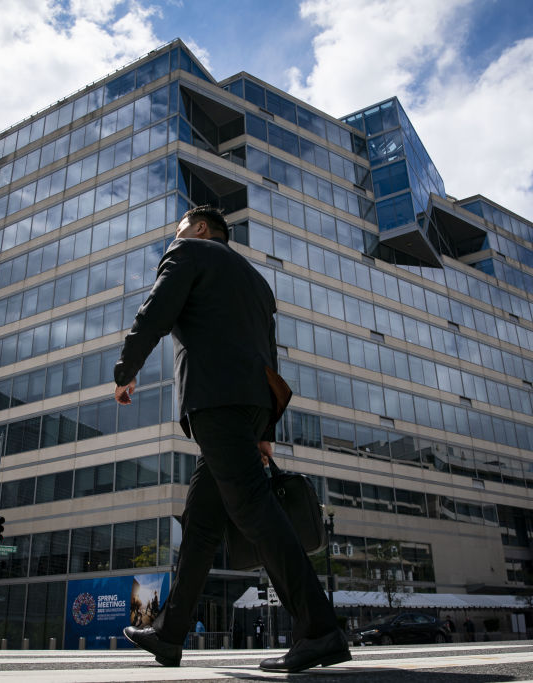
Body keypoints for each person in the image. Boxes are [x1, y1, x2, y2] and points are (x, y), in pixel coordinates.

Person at [116, 206, 349, 673]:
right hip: (251, 404)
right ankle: (169, 634)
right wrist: (265, 432)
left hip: (215, 400)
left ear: (201, 229)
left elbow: (155, 312)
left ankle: (320, 629)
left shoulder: (187, 252)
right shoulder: (257, 282)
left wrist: (126, 368)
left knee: (253, 508)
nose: (174, 235)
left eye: (179, 228)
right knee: (201, 524)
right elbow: (270, 356)